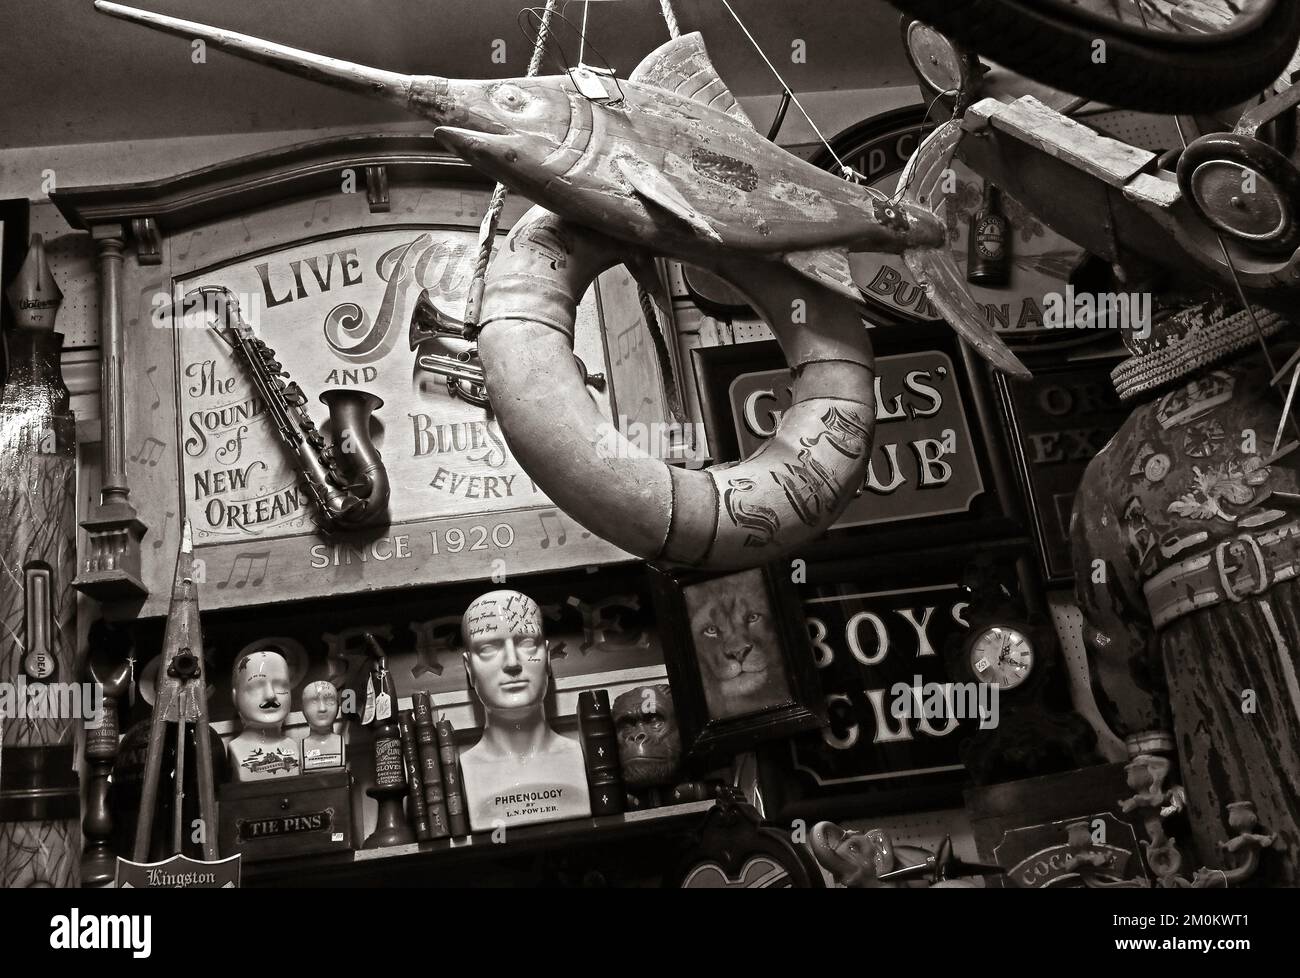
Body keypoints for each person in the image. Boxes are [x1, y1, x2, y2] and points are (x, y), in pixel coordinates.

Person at [458, 589, 590, 830]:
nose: (512, 663)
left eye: (528, 643)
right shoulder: (464, 772)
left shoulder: (583, 758)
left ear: (548, 658)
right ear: (469, 669)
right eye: (488, 648)